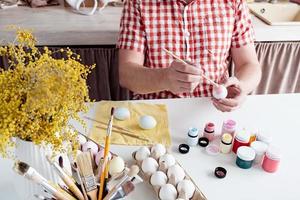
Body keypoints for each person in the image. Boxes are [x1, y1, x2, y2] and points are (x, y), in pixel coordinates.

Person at [117, 0, 261, 112]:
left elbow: (249, 64)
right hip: (157, 110)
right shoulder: (138, 3)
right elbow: (126, 74)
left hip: (212, 110)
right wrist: (165, 78)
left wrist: (242, 86)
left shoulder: (233, 3)